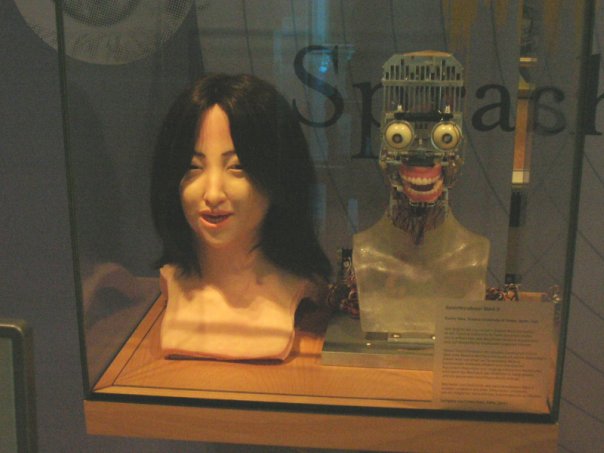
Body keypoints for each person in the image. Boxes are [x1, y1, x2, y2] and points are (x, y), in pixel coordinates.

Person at [150, 73, 331, 360]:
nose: (213, 194)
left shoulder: (297, 284)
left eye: (237, 168)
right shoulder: (172, 282)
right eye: (194, 167)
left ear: (277, 175)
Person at [353, 52, 490, 340]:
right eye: (401, 138)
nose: (422, 156)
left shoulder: (473, 255)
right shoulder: (367, 255)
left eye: (442, 139)